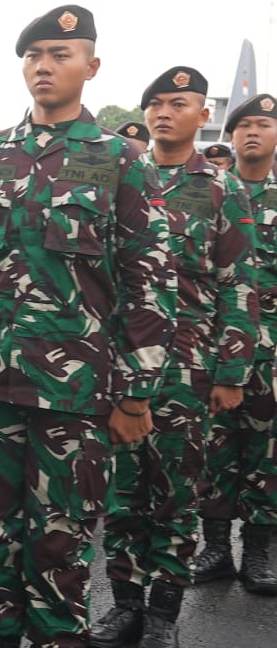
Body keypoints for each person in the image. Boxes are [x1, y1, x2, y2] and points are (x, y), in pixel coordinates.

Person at [0, 5, 175, 648]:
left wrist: (138, 387)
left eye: (60, 54)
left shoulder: (120, 159)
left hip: (75, 393)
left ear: (91, 65)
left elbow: (150, 275)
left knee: (59, 548)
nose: (44, 67)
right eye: (33, 56)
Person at [91, 67, 257, 647]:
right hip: (119, 358)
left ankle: (163, 614)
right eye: (154, 103)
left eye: (177, 102)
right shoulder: (116, 179)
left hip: (188, 366)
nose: (163, 112)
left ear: (199, 114)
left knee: (176, 494)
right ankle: (124, 605)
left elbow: (239, 285)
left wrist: (233, 371)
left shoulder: (220, 189)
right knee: (120, 494)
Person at [195, 94, 277, 596]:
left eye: (263, 125)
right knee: (215, 447)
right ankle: (217, 548)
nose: (252, 132)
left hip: (272, 343)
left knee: (267, 450)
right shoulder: (209, 191)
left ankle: (261, 551)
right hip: (214, 340)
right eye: (242, 124)